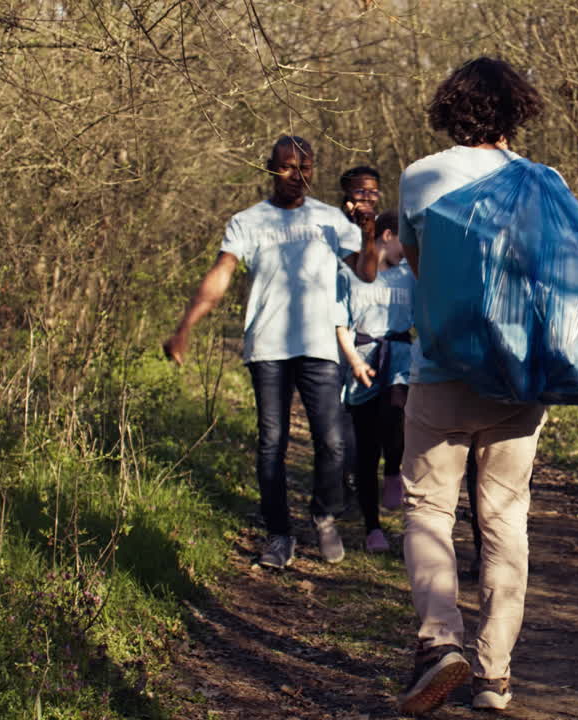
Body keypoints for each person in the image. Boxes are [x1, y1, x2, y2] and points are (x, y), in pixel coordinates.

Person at [394, 57, 546, 715]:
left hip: (442, 371)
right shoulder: (544, 184)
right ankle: (495, 675)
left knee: (429, 508)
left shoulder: (419, 178)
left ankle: (440, 642)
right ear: (515, 111)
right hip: (517, 377)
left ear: (449, 109)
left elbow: (420, 271)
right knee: (505, 517)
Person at [163, 135, 378, 570]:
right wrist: (186, 326)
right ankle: (280, 534)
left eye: (306, 167)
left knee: (333, 444)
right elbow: (221, 273)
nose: (297, 175)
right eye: (286, 167)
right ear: (269, 168)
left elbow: (368, 273)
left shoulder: (331, 219)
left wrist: (369, 229)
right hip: (268, 347)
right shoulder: (249, 221)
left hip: (319, 345)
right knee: (271, 445)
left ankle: (323, 514)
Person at [335, 210, 414, 553]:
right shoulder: (349, 274)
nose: (406, 247)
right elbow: (339, 322)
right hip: (364, 358)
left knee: (396, 418)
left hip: (400, 354)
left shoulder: (411, 274)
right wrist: (352, 360)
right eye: (402, 239)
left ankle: (394, 470)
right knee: (366, 448)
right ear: (386, 236)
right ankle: (373, 528)